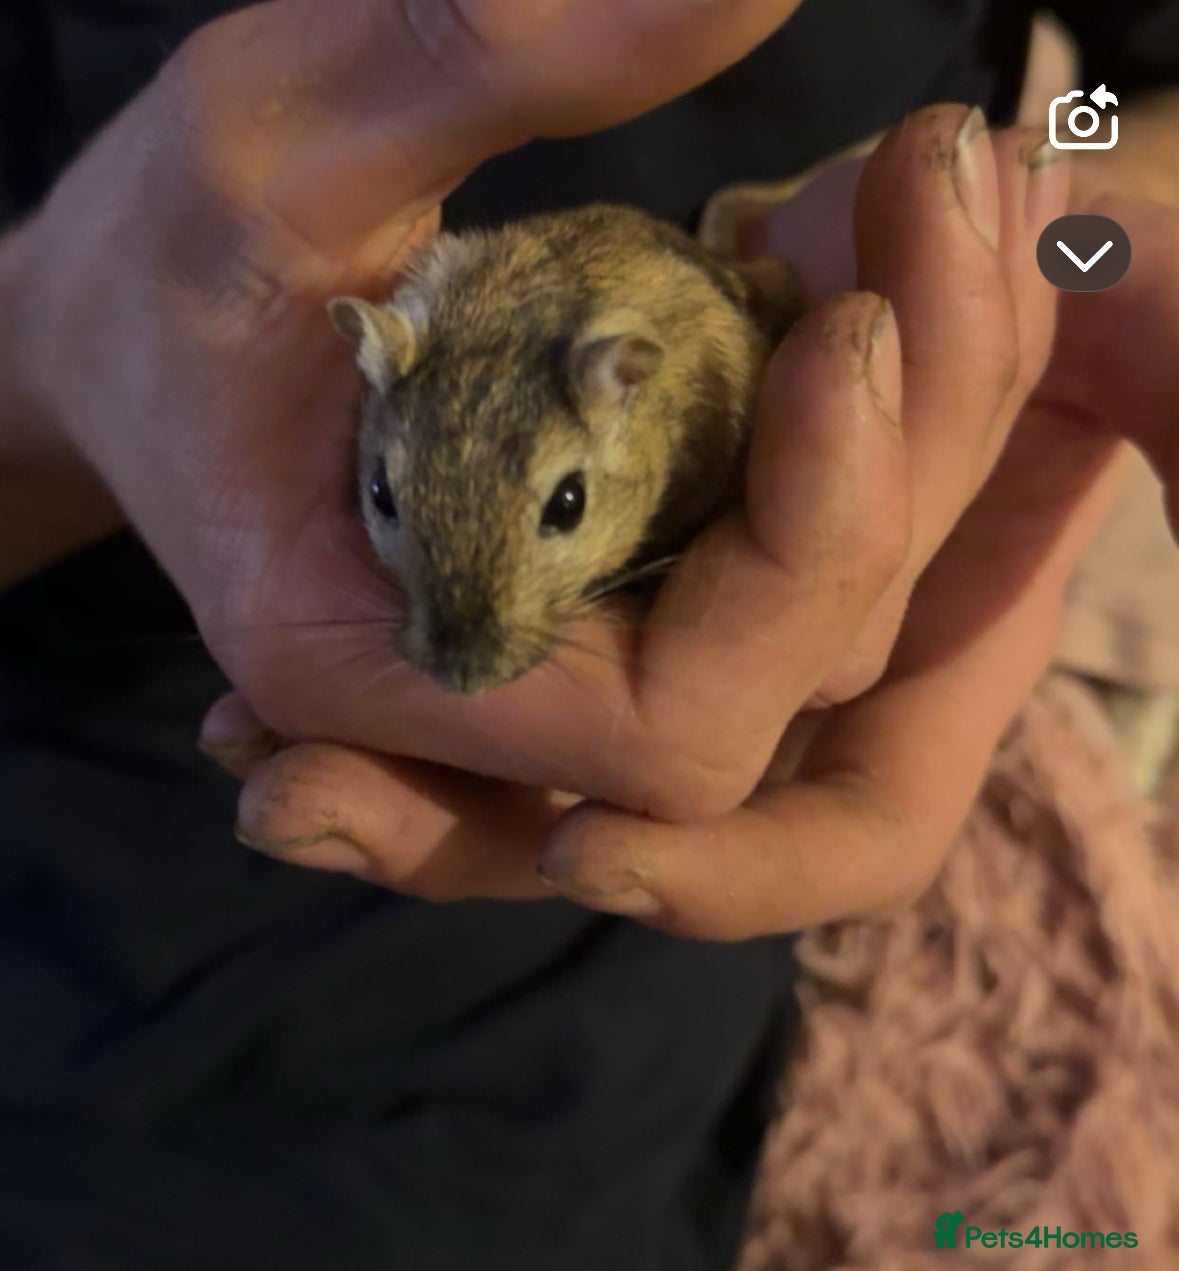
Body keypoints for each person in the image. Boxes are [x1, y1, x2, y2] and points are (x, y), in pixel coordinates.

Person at [1, 1, 1177, 1267]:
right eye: (391, 501)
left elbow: (1111, 92)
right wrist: (55, 335)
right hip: (79, 850)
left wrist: (1055, 228)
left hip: (606, 950)